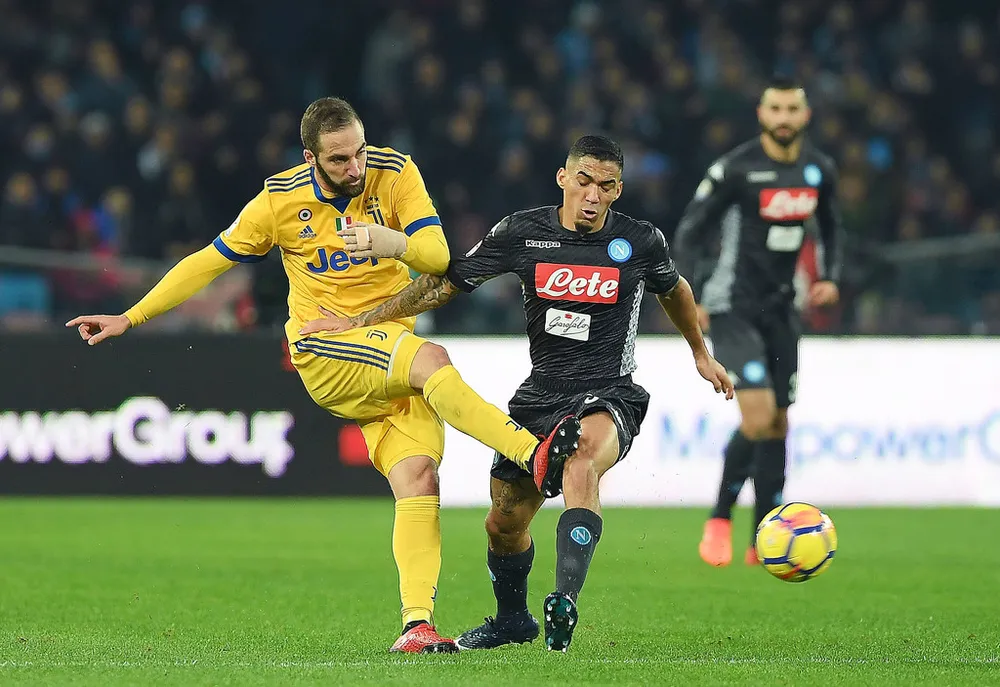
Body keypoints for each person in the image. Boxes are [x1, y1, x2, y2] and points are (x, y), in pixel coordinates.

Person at [65, 97, 581, 654]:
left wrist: (393, 243)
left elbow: (437, 255)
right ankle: (533, 453)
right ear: (311, 157)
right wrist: (130, 316)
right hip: (326, 348)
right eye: (339, 160)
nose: (355, 168)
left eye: (359, 152)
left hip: (386, 350)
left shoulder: (396, 171)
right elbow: (208, 262)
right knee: (432, 359)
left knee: (419, 481)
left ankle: (416, 624)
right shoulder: (279, 201)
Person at [299, 134, 734, 652]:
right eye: (585, 181)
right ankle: (513, 621)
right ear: (564, 178)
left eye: (607, 186)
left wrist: (699, 352)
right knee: (503, 520)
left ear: (619, 190)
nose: (594, 196)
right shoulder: (522, 232)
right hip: (540, 396)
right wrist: (361, 319)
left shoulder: (640, 242)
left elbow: (675, 289)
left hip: (608, 391)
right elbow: (448, 281)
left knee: (581, 462)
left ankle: (564, 602)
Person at [672, 76, 843, 568]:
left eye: (793, 108)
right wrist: (692, 294)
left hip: (782, 308)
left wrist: (829, 276)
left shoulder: (818, 170)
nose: (784, 117)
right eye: (776, 109)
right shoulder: (735, 170)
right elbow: (691, 230)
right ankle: (720, 519)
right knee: (758, 417)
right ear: (762, 115)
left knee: (780, 422)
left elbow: (831, 226)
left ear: (805, 115)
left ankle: (763, 536)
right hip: (733, 307)